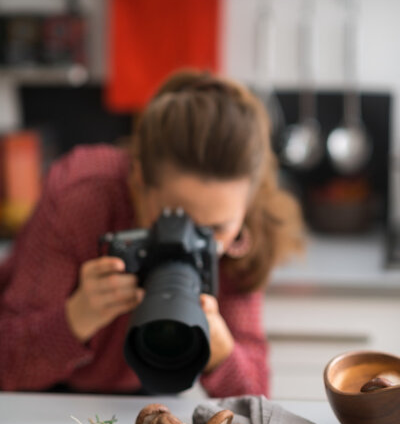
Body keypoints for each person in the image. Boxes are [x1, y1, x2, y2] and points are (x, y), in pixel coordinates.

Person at [0, 69, 303, 397]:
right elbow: (6, 364)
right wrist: (75, 317)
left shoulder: (244, 238)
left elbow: (256, 399)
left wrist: (222, 354)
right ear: (139, 180)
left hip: (154, 395)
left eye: (214, 229)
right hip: (49, 393)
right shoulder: (81, 197)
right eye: (174, 219)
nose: (189, 242)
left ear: (247, 205)